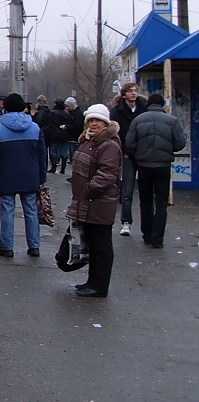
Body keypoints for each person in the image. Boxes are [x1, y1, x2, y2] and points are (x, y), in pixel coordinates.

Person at [67, 104, 121, 297]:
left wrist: (89, 190)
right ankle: (92, 282)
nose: (94, 123)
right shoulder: (89, 140)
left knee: (101, 246)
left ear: (105, 122)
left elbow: (107, 173)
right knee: (93, 243)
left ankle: (100, 286)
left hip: (99, 202)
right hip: (87, 202)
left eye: (98, 120)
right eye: (91, 120)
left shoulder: (109, 145)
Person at [0, 92, 46, 258]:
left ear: (6, 108)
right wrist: (41, 177)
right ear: (23, 108)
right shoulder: (35, 128)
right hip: (30, 175)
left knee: (7, 210)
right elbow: (42, 155)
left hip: (5, 175)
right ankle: (34, 246)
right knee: (31, 210)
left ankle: (6, 247)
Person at [122, 93, 185, 249]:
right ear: (162, 105)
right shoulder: (172, 121)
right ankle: (158, 239)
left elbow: (129, 143)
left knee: (146, 201)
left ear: (148, 104)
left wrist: (139, 154)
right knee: (161, 203)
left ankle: (147, 234)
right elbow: (180, 143)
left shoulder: (138, 120)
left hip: (144, 166)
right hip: (163, 166)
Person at [110, 82, 142, 236]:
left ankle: (147, 225)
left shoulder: (143, 109)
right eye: (130, 91)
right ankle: (126, 222)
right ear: (124, 95)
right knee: (127, 190)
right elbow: (115, 134)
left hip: (143, 154)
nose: (134, 93)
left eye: (135, 91)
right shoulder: (117, 112)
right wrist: (123, 152)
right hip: (127, 155)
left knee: (146, 191)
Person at [47, 98, 71, 174]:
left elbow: (49, 123)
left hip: (54, 134)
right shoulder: (67, 113)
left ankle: (53, 167)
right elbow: (69, 123)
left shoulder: (52, 113)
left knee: (53, 150)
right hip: (64, 134)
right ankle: (63, 168)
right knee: (64, 151)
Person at [65, 97, 85, 166]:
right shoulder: (74, 113)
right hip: (72, 138)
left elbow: (77, 126)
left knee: (74, 157)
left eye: (68, 106)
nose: (67, 108)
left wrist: (67, 126)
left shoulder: (77, 114)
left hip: (74, 138)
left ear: (72, 105)